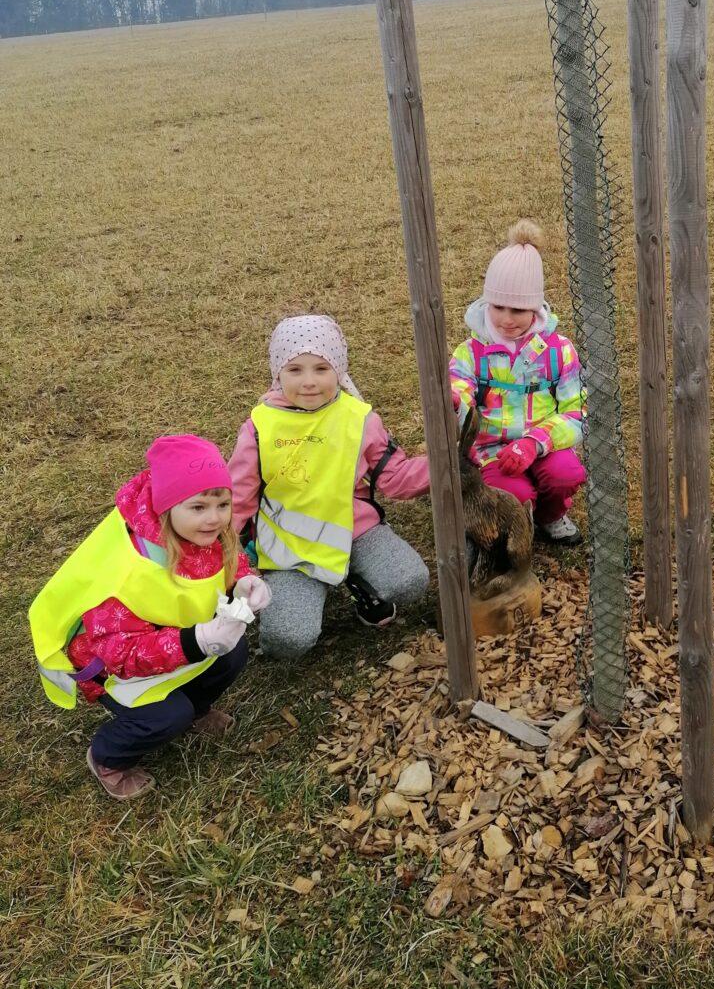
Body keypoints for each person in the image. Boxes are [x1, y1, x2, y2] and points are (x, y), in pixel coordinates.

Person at [29, 435, 269, 800]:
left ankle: (196, 710)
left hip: (173, 640)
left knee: (233, 654)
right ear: (165, 508)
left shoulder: (203, 533)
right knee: (164, 716)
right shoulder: (132, 569)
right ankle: (108, 756)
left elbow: (227, 563)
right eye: (199, 507)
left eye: (222, 504)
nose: (215, 518)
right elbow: (119, 655)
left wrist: (245, 581)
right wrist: (197, 641)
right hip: (113, 671)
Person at [229, 315, 430, 660]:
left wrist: (446, 462)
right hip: (291, 549)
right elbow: (238, 497)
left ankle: (357, 581)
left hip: (354, 531)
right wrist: (222, 550)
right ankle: (294, 598)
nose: (309, 382)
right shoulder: (259, 427)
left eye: (321, 368)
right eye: (295, 370)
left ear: (339, 369)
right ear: (278, 373)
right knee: (288, 641)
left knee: (410, 580)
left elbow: (394, 477)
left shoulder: (360, 418)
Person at [449, 220, 587, 541]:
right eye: (498, 307)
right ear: (486, 303)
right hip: (491, 451)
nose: (507, 319)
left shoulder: (559, 351)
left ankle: (550, 515)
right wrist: (456, 403)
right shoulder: (470, 353)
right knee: (515, 495)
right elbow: (458, 392)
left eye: (519, 309)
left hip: (544, 443)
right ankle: (520, 518)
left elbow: (576, 415)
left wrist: (534, 442)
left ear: (536, 308)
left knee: (566, 474)